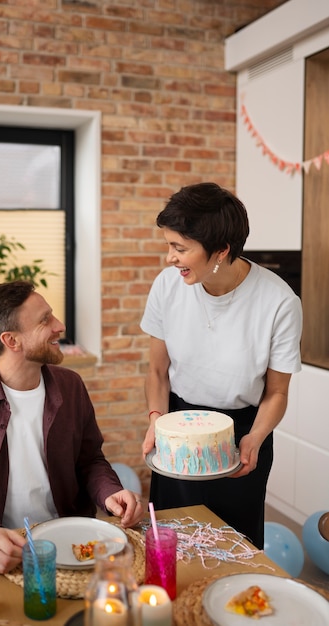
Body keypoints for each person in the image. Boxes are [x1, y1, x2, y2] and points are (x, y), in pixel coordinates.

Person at [0, 281, 144, 573]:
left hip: (73, 544)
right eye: (45, 320)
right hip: (4, 555)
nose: (59, 325)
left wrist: (110, 491)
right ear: (11, 341)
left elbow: (90, 462)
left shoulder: (71, 387)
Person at [140, 182, 302, 549]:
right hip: (177, 428)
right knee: (172, 542)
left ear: (221, 251)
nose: (170, 258)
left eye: (180, 248)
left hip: (242, 432)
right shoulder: (167, 287)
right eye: (169, 245)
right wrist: (155, 420)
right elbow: (157, 372)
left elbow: (277, 392)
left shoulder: (279, 302)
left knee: (233, 547)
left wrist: (255, 439)